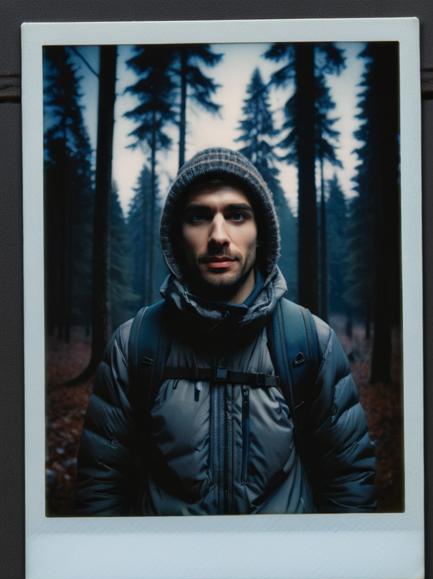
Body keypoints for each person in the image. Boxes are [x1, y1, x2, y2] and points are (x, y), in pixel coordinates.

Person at [76, 147, 376, 516]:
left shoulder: (309, 341)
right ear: (176, 238)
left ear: (261, 233)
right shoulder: (134, 344)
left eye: (236, 215)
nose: (218, 235)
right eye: (199, 216)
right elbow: (100, 489)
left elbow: (350, 485)